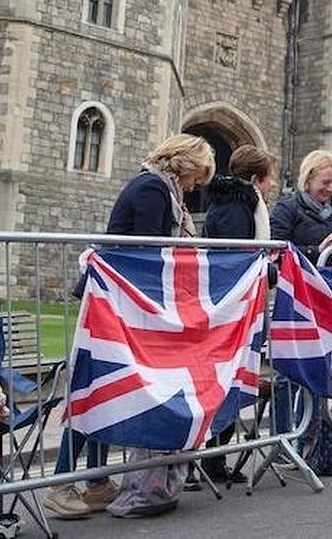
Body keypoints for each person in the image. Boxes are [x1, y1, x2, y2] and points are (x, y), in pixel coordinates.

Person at [45, 133, 215, 520]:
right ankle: (60, 485)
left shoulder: (159, 188)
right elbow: (149, 254)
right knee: (97, 391)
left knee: (108, 394)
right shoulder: (153, 189)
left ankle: (97, 482)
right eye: (194, 178)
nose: (193, 187)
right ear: (183, 165)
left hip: (122, 306)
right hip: (115, 308)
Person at [195, 144, 278, 484]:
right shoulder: (235, 207)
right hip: (229, 309)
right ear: (257, 178)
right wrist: (269, 272)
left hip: (239, 307)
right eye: (270, 178)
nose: (272, 185)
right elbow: (234, 261)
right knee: (223, 380)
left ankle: (215, 458)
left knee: (232, 379)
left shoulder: (241, 204)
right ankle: (204, 458)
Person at [267, 150, 332, 436]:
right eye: (325, 182)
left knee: (320, 365)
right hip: (293, 300)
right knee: (287, 370)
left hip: (325, 299)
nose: (329, 190)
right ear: (309, 178)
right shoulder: (287, 209)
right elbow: (277, 250)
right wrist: (318, 250)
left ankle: (312, 433)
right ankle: (282, 435)